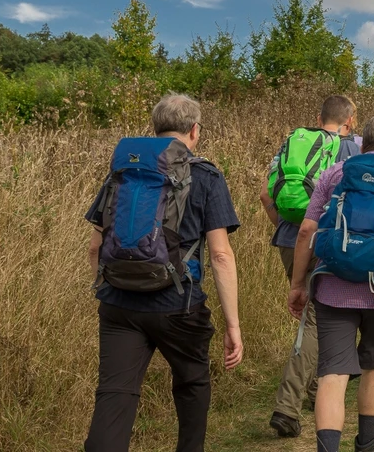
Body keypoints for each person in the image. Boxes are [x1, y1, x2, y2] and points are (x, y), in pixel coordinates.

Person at [83, 94, 244, 452]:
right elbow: (220, 255)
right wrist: (233, 326)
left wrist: (107, 290)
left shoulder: (122, 172)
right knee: (192, 384)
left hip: (118, 305)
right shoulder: (205, 175)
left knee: (115, 395)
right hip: (179, 305)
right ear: (194, 130)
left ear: (155, 129)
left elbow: (96, 247)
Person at [287, 116, 374, 452]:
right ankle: (366, 447)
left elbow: (307, 231)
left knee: (333, 373)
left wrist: (298, 284)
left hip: (331, 285)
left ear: (363, 145)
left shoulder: (335, 174)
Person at [263, 95, 360, 438]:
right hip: (323, 243)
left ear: (319, 117)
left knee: (313, 316)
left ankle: (317, 388)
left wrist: (282, 226)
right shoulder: (351, 149)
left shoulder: (292, 144)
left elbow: (265, 194)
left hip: (289, 242)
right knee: (317, 320)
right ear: (351, 120)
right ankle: (286, 406)